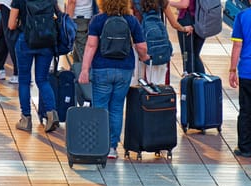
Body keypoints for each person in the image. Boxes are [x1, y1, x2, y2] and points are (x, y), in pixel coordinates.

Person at [78, 0, 150, 159]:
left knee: (101, 108)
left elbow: (91, 46)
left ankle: (99, 144)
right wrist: (145, 57)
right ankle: (112, 148)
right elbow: (142, 47)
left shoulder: (98, 20)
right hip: (124, 70)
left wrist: (84, 70)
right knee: (117, 108)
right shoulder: (130, 20)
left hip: (101, 69)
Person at [8, 0, 60, 133]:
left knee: (24, 81)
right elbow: (58, 16)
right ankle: (51, 114)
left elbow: (11, 25)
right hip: (46, 41)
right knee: (42, 79)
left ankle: (26, 119)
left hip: (26, 41)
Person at [132, 0, 193, 84]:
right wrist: (184, 29)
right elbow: (174, 24)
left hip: (138, 41)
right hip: (158, 42)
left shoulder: (132, 2)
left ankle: (136, 96)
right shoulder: (162, 1)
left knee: (136, 78)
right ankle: (156, 95)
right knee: (157, 81)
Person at [229, 2, 251, 158]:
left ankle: (245, 147)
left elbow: (238, 45)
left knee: (246, 109)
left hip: (247, 71)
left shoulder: (242, 16)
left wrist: (232, 70)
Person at [169, 0, 205, 74]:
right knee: (195, 55)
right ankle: (202, 82)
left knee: (187, 56)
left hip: (187, 20)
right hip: (202, 21)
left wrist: (166, 2)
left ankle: (189, 82)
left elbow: (184, 4)